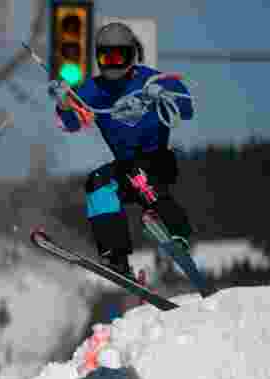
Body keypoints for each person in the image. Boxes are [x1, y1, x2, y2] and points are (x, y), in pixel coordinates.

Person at [50, 21, 195, 279]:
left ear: (131, 54)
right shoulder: (94, 90)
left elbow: (187, 108)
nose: (113, 64)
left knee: (138, 173)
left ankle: (177, 229)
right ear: (98, 58)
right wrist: (63, 103)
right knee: (97, 184)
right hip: (126, 167)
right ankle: (115, 256)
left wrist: (163, 95)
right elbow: (67, 123)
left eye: (120, 56)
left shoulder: (149, 79)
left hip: (158, 161)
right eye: (107, 57)